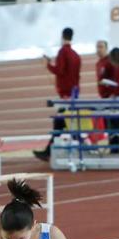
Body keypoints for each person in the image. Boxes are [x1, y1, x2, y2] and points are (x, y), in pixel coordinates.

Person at [34, 26, 82, 160]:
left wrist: (47, 65)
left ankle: (49, 152)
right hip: (74, 93)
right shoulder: (76, 56)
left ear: (62, 36)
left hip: (66, 96)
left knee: (62, 123)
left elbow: (60, 71)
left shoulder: (63, 52)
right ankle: (49, 151)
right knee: (67, 124)